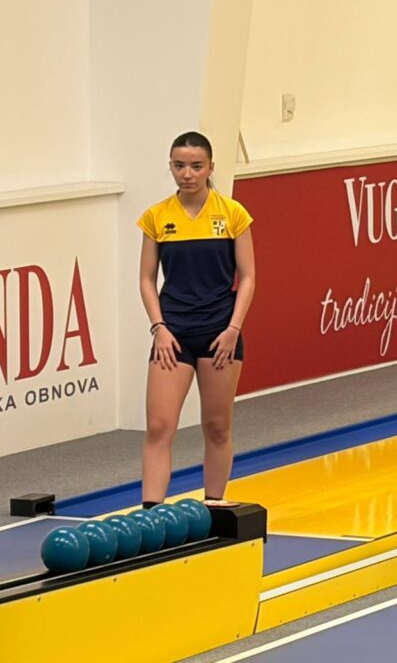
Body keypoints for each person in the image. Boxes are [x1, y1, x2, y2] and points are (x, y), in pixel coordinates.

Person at [137, 131, 255, 510]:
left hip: (219, 333)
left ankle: (214, 505)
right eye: (179, 166)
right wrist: (159, 328)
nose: (187, 174)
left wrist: (233, 329)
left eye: (195, 166)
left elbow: (248, 277)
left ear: (210, 168)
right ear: (171, 167)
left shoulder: (233, 214)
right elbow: (146, 279)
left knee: (217, 426)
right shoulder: (157, 217)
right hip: (173, 334)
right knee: (159, 426)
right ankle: (151, 512)